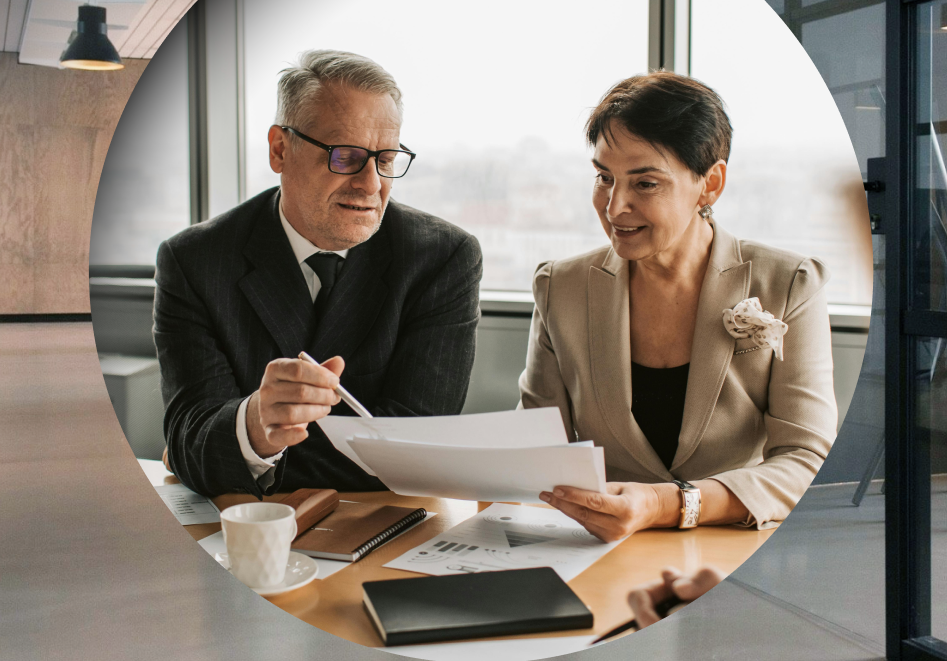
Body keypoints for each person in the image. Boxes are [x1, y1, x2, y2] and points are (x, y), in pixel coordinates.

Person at [519, 71, 837, 539]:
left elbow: (806, 460)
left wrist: (668, 505)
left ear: (710, 184)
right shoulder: (558, 287)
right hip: (594, 545)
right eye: (604, 178)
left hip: (732, 546)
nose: (614, 207)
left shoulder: (788, 283)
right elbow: (538, 450)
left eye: (645, 183)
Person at [154, 50, 482, 500]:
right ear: (279, 149)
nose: (371, 185)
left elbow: (416, 450)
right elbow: (191, 435)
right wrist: (249, 424)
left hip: (385, 526)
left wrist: (239, 447)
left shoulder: (442, 257)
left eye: (385, 159)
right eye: (345, 156)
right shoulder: (195, 260)